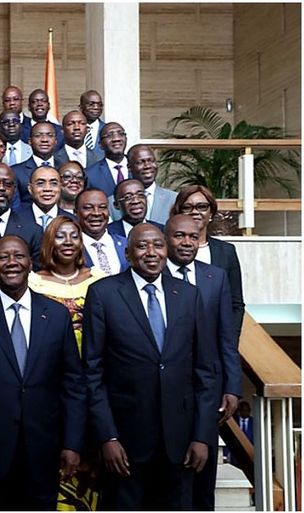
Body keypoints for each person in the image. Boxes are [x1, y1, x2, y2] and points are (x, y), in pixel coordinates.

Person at [83, 223, 217, 510]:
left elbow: (205, 371)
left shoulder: (189, 295)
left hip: (180, 442)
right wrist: (107, 436)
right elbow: (93, 372)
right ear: (128, 253)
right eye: (142, 246)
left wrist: (202, 436)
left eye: (158, 245)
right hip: (125, 442)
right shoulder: (103, 294)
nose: (151, 252)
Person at [0, 235, 86, 509]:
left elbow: (73, 385)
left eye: (19, 256)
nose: (12, 262)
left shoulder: (57, 314)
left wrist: (72, 443)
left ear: (30, 263)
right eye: (3, 257)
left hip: (43, 449)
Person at [164, 214, 242, 511]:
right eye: (179, 236)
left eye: (193, 237)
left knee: (203, 475)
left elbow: (226, 336)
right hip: (169, 387)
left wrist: (232, 386)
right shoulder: (153, 274)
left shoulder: (215, 276)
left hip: (208, 388)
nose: (187, 242)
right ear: (166, 239)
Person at [28, 216, 106, 510]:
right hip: (50, 383)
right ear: (49, 242)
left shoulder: (99, 280)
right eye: (60, 236)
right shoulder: (32, 282)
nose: (68, 242)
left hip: (92, 379)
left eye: (74, 236)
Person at [170, 184, 245, 337]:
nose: (195, 212)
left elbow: (235, 304)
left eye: (202, 207)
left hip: (212, 339)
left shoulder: (226, 252)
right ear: (178, 212)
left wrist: (230, 340)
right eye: (187, 207)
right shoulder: (167, 250)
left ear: (211, 213)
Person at [119, 144, 177, 224]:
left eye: (151, 161)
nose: (147, 166)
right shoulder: (113, 202)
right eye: (140, 162)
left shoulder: (174, 199)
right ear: (129, 167)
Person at [76, 188, 128, 276]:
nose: (96, 213)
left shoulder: (126, 245)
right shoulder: (70, 248)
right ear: (75, 212)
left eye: (102, 207)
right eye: (88, 208)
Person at [12, 121, 59, 205]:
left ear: (56, 141)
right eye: (38, 135)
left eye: (49, 135)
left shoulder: (64, 167)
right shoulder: (16, 172)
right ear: (30, 141)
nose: (44, 140)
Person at [21, 166, 76, 233]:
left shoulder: (72, 220)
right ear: (30, 189)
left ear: (60, 187)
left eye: (54, 183)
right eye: (40, 183)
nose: (47, 189)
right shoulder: (15, 219)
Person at [85, 122, 129, 197]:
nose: (116, 139)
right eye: (109, 135)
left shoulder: (137, 166)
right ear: (100, 145)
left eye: (121, 134)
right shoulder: (89, 174)